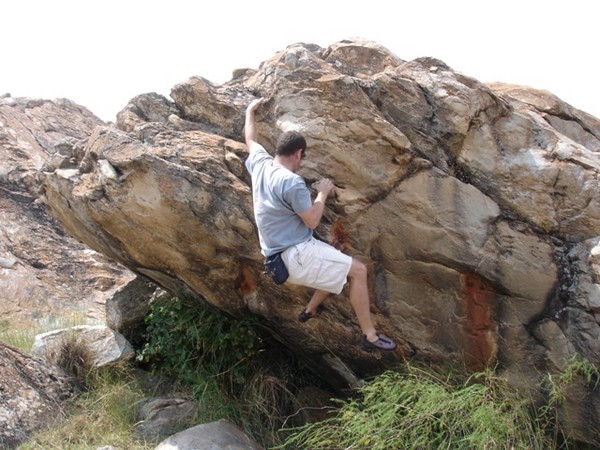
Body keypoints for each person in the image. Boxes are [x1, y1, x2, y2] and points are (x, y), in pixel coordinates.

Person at [244, 97, 396, 351]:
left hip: (276, 258)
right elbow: (312, 220)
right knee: (358, 271)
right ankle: (370, 337)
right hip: (295, 255)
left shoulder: (260, 164)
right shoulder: (292, 182)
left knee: (337, 258)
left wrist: (250, 111)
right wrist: (322, 193)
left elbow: (250, 139)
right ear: (298, 153)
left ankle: (309, 310)